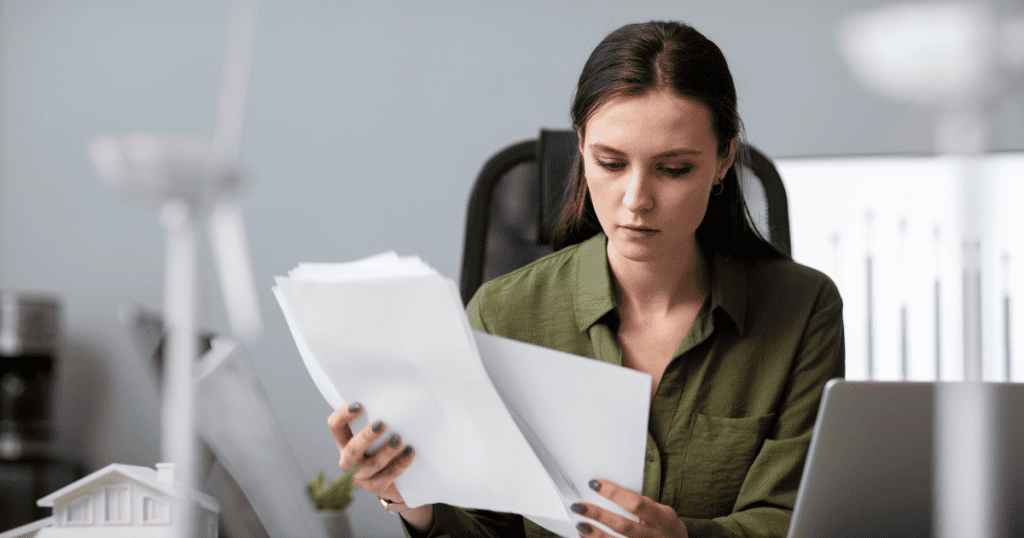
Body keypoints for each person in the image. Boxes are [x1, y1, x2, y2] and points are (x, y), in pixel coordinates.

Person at [327, 20, 844, 538]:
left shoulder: (803, 309)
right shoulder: (502, 313)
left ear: (724, 159)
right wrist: (411, 498)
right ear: (582, 147)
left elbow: (794, 518)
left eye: (674, 169)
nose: (636, 199)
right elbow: (484, 523)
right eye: (611, 162)